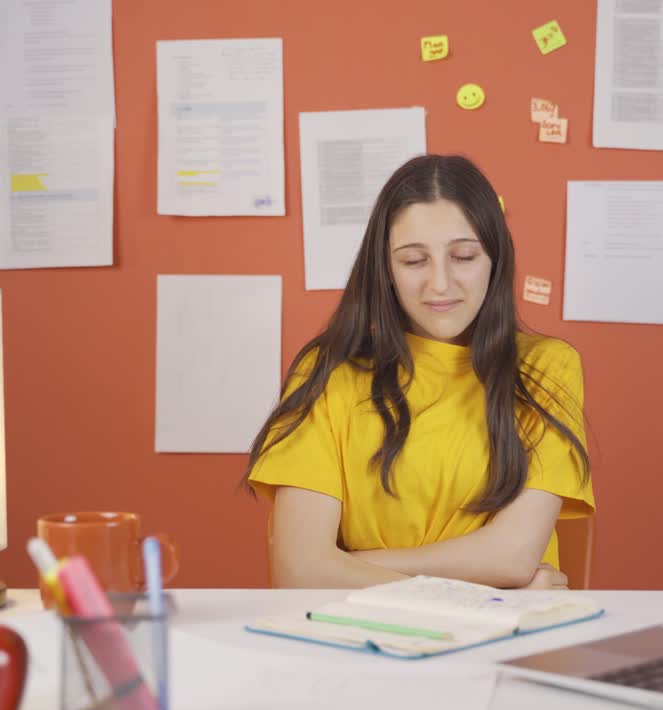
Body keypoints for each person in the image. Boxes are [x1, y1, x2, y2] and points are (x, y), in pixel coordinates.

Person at [242, 154, 592, 589]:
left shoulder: (546, 368)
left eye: (463, 256)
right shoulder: (328, 371)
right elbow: (299, 573)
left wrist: (347, 565)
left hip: (500, 629)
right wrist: (484, 587)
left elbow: (512, 557)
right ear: (386, 269)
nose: (440, 283)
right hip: (377, 630)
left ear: (495, 260)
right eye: (413, 261)